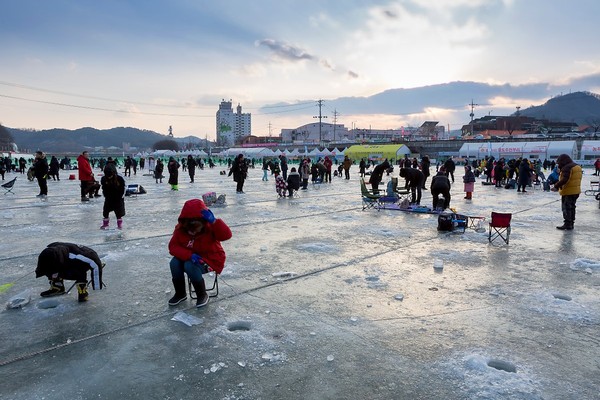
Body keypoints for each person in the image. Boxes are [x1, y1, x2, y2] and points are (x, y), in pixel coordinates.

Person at [168, 199, 232, 307]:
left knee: (189, 266)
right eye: (190, 230)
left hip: (211, 258)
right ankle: (180, 293)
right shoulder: (180, 229)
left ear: (203, 223)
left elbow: (226, 235)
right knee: (174, 263)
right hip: (190, 257)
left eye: (196, 229)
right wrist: (189, 255)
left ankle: (202, 295)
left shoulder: (210, 227)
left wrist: (215, 222)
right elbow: (173, 246)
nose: (193, 232)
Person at [35, 242, 104, 302]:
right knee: (48, 267)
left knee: (79, 269)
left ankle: (82, 290)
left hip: (81, 263)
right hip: (65, 260)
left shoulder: (84, 256)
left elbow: (96, 265)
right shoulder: (53, 251)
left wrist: (96, 286)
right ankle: (57, 287)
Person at [552, 154, 582, 230]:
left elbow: (565, 179)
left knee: (566, 207)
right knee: (572, 207)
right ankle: (571, 222)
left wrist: (556, 186)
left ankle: (567, 223)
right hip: (576, 191)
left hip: (568, 191)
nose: (558, 165)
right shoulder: (577, 166)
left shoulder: (567, 167)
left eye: (559, 163)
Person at [100, 163, 126, 230]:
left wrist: (120, 196)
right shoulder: (103, 179)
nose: (109, 177)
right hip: (108, 198)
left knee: (118, 213)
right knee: (105, 211)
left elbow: (122, 189)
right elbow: (104, 188)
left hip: (118, 198)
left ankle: (119, 224)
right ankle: (105, 224)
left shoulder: (119, 179)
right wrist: (105, 195)